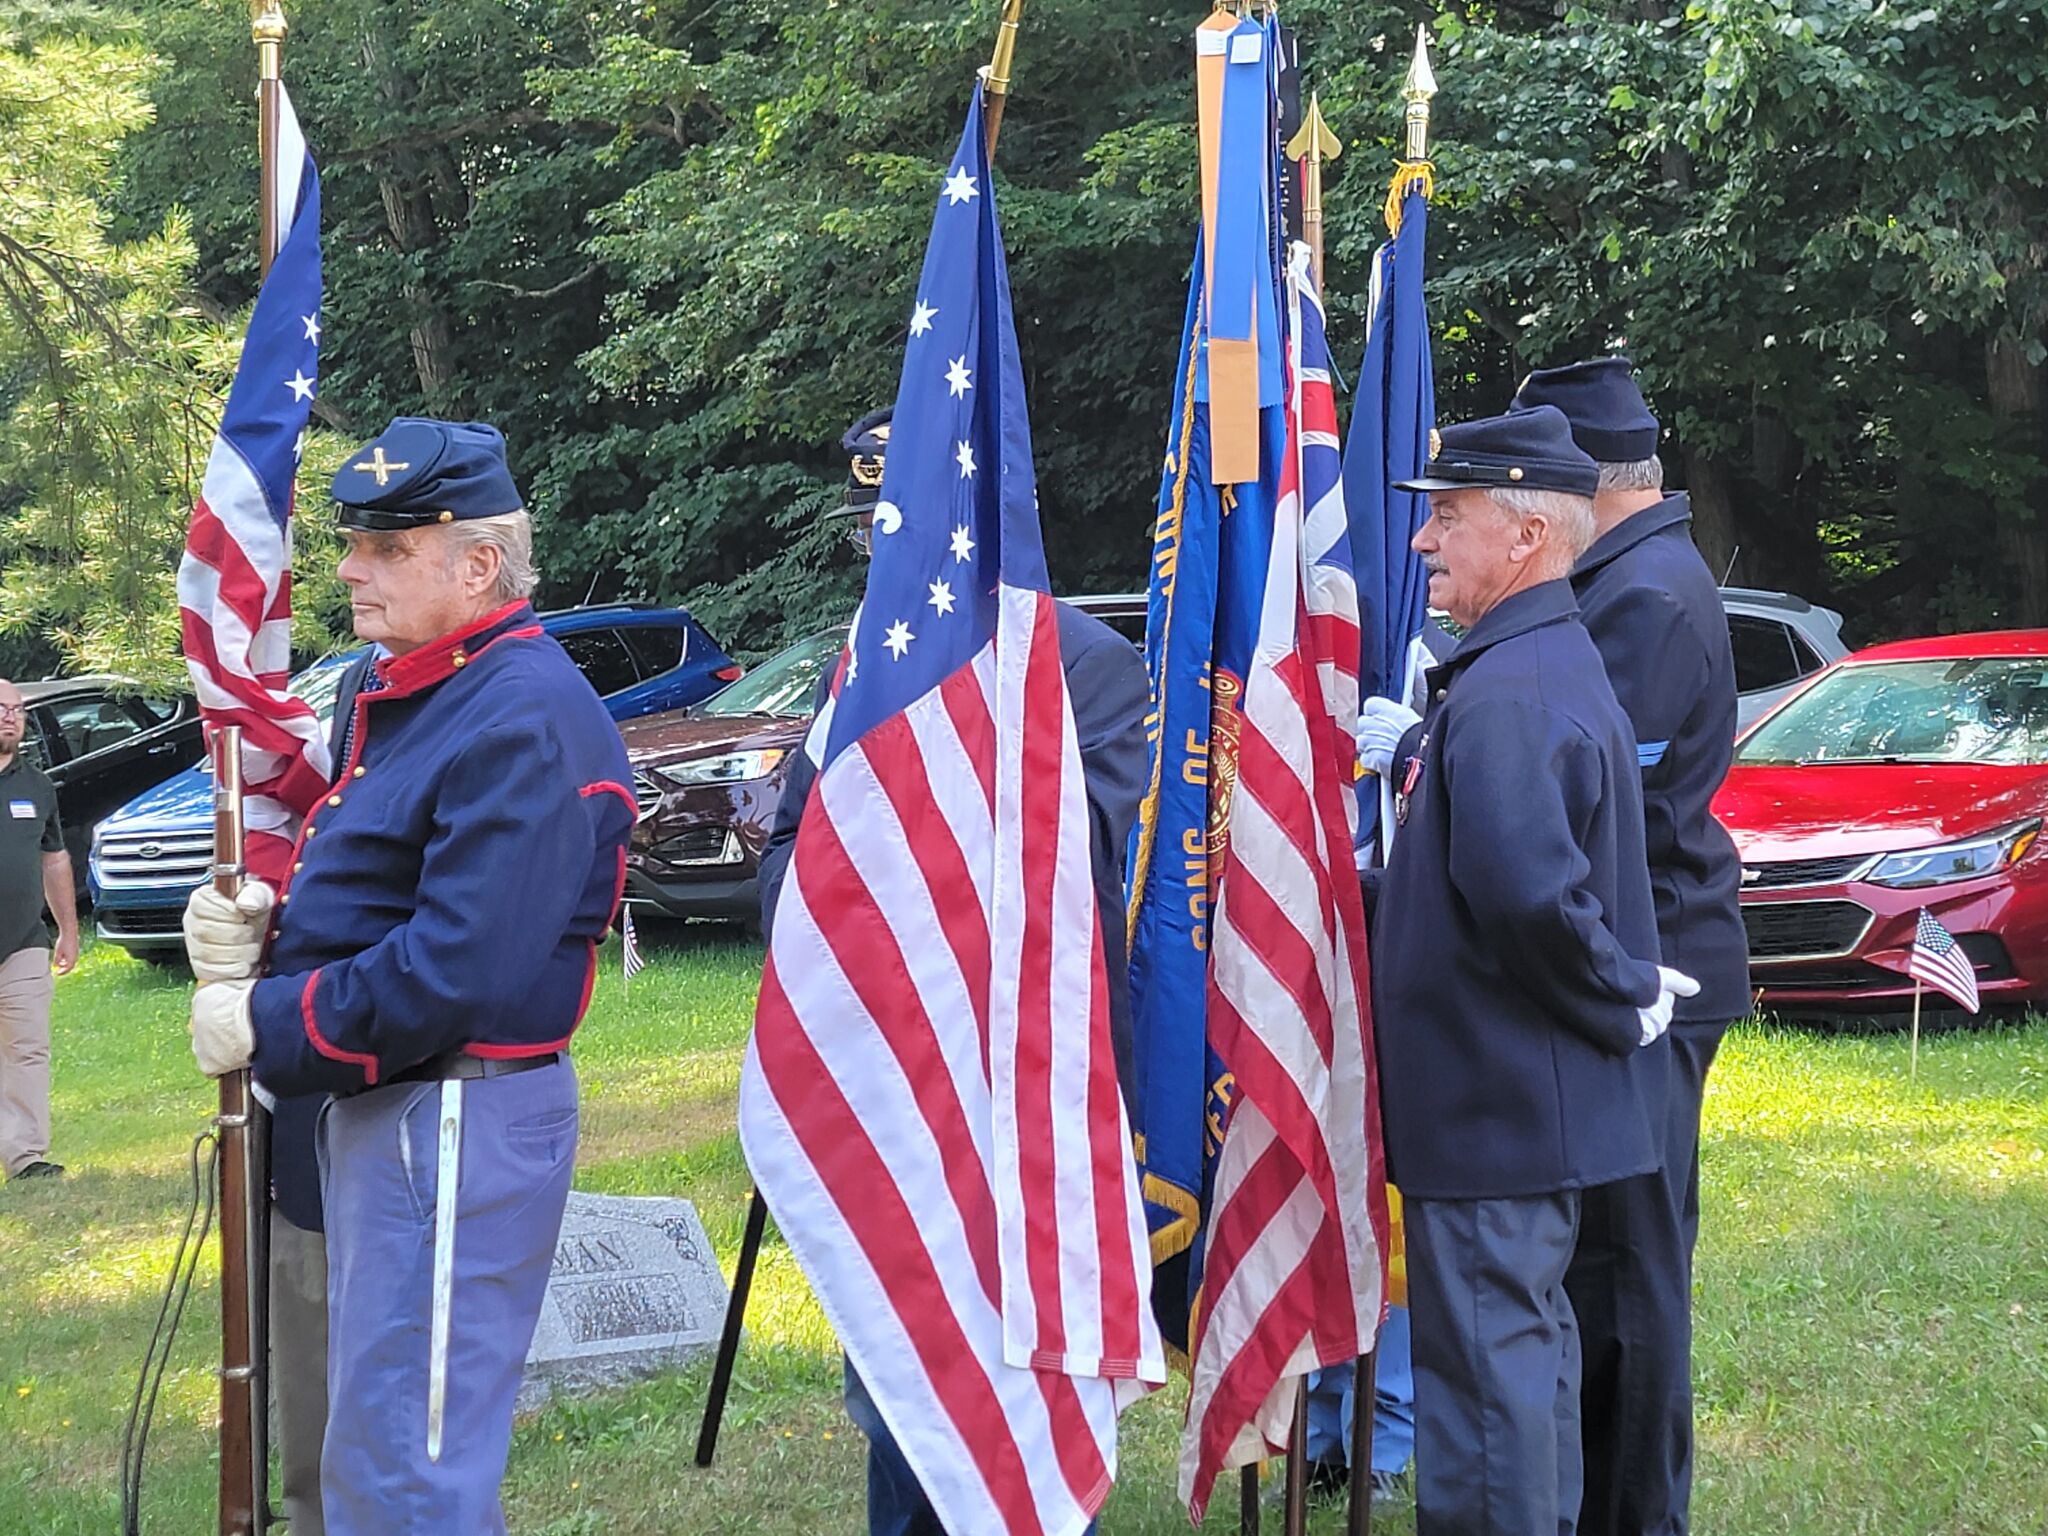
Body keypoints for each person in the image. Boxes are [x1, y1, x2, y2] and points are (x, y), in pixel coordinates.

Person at [179, 417, 634, 1534]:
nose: (347, 568)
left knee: (406, 1474)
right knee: (376, 1453)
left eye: (387, 548)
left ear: (477, 565)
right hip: (405, 1108)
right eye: (355, 543)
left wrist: (265, 1016)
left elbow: (452, 968)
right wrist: (270, 922)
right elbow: (384, 891)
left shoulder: (520, 711)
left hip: (453, 1110)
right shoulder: (430, 690)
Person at [757, 408, 1150, 1536]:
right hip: (883, 1072)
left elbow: (1101, 878)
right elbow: (798, 840)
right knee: (894, 1371)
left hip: (1014, 1084)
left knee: (1005, 1380)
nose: (888, 549)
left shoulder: (1085, 664)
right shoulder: (867, 661)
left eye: (908, 524)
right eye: (876, 529)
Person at [1357, 405, 1696, 1536]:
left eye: (1444, 517)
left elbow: (1525, 895)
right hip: (1504, 1101)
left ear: (1522, 537)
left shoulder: (1510, 689)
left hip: (1494, 1102)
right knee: (1517, 1371)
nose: (1420, 542)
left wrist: (1621, 993)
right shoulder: (1525, 664)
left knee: (1487, 1398)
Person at [1510, 357, 1749, 1536]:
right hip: (1640, 957)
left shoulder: (1641, 594)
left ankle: (1632, 1513)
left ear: (1578, 487)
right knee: (1610, 1258)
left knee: (1632, 1266)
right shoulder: (1634, 574)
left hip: (1653, 965)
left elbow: (1607, 799)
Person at [0, 677, 77, 1182]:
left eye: (18, 709)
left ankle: (25, 1155)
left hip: (22, 943)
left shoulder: (36, 785)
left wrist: (68, 929)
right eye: (1, 708)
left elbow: (54, 861)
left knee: (27, 1049)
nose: (11, 716)